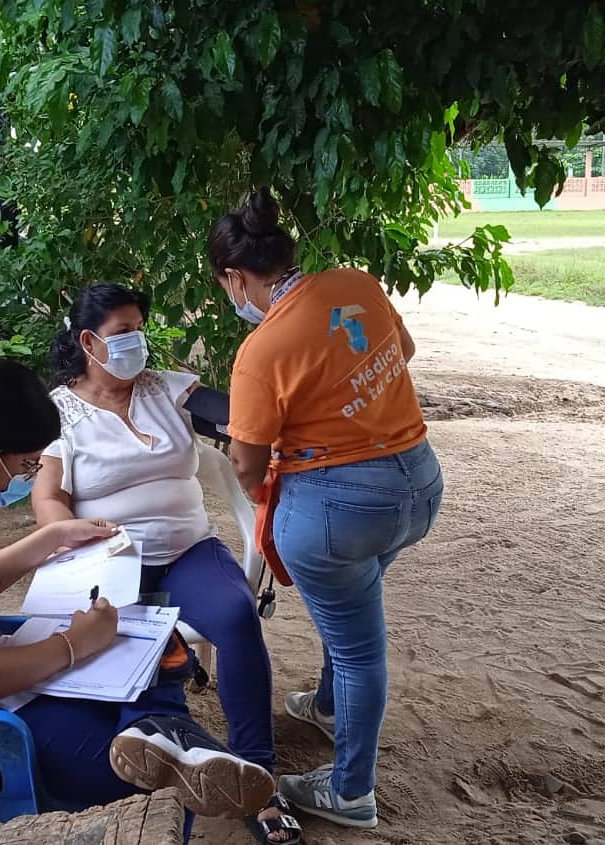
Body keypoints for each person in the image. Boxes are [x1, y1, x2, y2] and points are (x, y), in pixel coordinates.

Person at [0, 358, 276, 835]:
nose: (27, 474)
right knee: (145, 764)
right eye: (25, 464)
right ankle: (176, 746)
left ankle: (169, 738)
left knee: (151, 655)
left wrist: (50, 539)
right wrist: (74, 644)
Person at [208, 188, 445, 830]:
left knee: (361, 649)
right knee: (353, 614)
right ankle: (328, 704)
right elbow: (404, 352)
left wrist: (274, 483)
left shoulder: (262, 351)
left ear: (236, 277)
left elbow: (248, 465)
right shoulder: (355, 284)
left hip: (341, 513)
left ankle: (351, 791)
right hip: (419, 485)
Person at [32, 286, 301, 844]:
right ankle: (161, 757)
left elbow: (234, 416)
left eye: (139, 329)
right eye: (122, 332)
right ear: (88, 342)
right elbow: (48, 496)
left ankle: (257, 773)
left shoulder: (168, 389)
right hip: (109, 558)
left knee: (235, 616)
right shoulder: (62, 410)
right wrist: (70, 538)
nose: (136, 343)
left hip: (188, 549)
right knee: (127, 645)